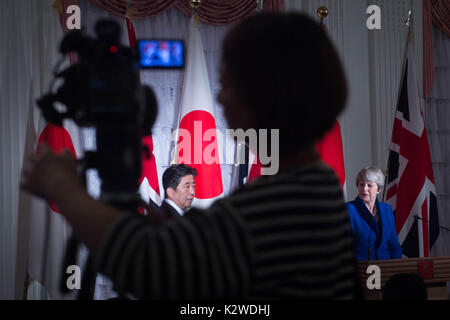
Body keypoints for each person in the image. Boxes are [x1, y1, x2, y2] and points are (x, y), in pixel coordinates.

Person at [22, 13, 361, 299]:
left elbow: (144, 263)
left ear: (264, 97)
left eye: (228, 83)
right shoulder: (320, 185)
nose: (223, 100)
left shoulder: (277, 202)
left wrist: (64, 189)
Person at [346, 166, 402, 261]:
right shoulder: (347, 209)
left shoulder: (386, 209)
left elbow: (394, 244)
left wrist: (395, 268)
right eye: (361, 185)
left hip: (387, 267)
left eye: (370, 185)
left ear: (379, 189)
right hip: (360, 269)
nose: (364, 189)